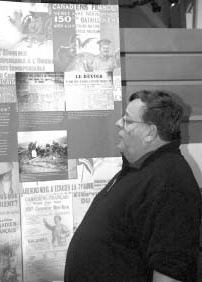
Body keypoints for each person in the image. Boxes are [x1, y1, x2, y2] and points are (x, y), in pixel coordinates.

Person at [64, 90, 202, 282]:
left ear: (150, 132)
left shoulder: (171, 183)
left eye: (127, 121)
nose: (118, 123)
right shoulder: (141, 169)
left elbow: (171, 269)